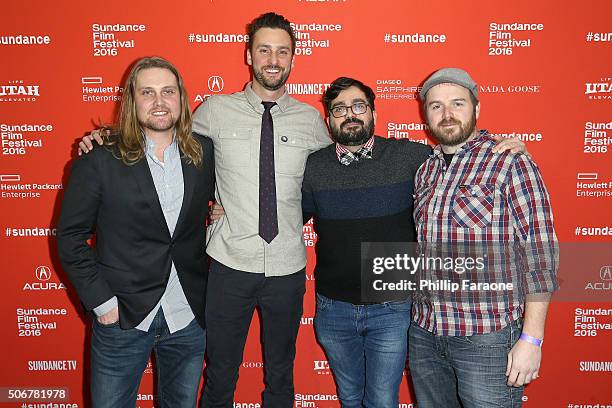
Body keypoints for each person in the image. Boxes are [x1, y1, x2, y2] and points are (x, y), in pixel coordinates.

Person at [57, 56, 215, 408]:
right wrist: (103, 304)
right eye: (148, 92)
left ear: (181, 98)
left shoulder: (204, 154)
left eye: (168, 92)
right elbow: (70, 237)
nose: (159, 102)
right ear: (132, 100)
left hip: (187, 316)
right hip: (122, 317)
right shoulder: (99, 159)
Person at [409, 68, 558, 408]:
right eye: (436, 106)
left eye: (457, 103)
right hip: (425, 332)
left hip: (487, 337)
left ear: (476, 109)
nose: (446, 114)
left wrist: (531, 340)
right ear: (425, 115)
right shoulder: (426, 170)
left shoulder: (508, 162)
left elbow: (540, 253)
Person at [301, 77, 430, 407]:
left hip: (391, 305)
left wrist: (501, 145)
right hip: (334, 308)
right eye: (339, 109)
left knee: (383, 400)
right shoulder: (313, 167)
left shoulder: (409, 156)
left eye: (359, 106)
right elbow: (284, 217)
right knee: (349, 398)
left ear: (373, 112)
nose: (350, 115)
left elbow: (461, 153)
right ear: (328, 119)